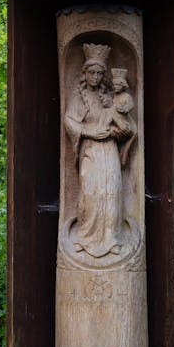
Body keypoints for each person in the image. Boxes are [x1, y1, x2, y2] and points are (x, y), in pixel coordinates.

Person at [64, 44, 132, 258]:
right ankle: (85, 238)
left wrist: (113, 133)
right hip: (90, 150)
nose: (95, 77)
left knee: (111, 191)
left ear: (104, 75)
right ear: (84, 73)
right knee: (91, 192)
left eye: (99, 73)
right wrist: (90, 133)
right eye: (91, 72)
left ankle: (112, 239)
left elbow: (125, 128)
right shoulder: (79, 97)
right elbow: (69, 121)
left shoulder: (109, 98)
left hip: (109, 151)